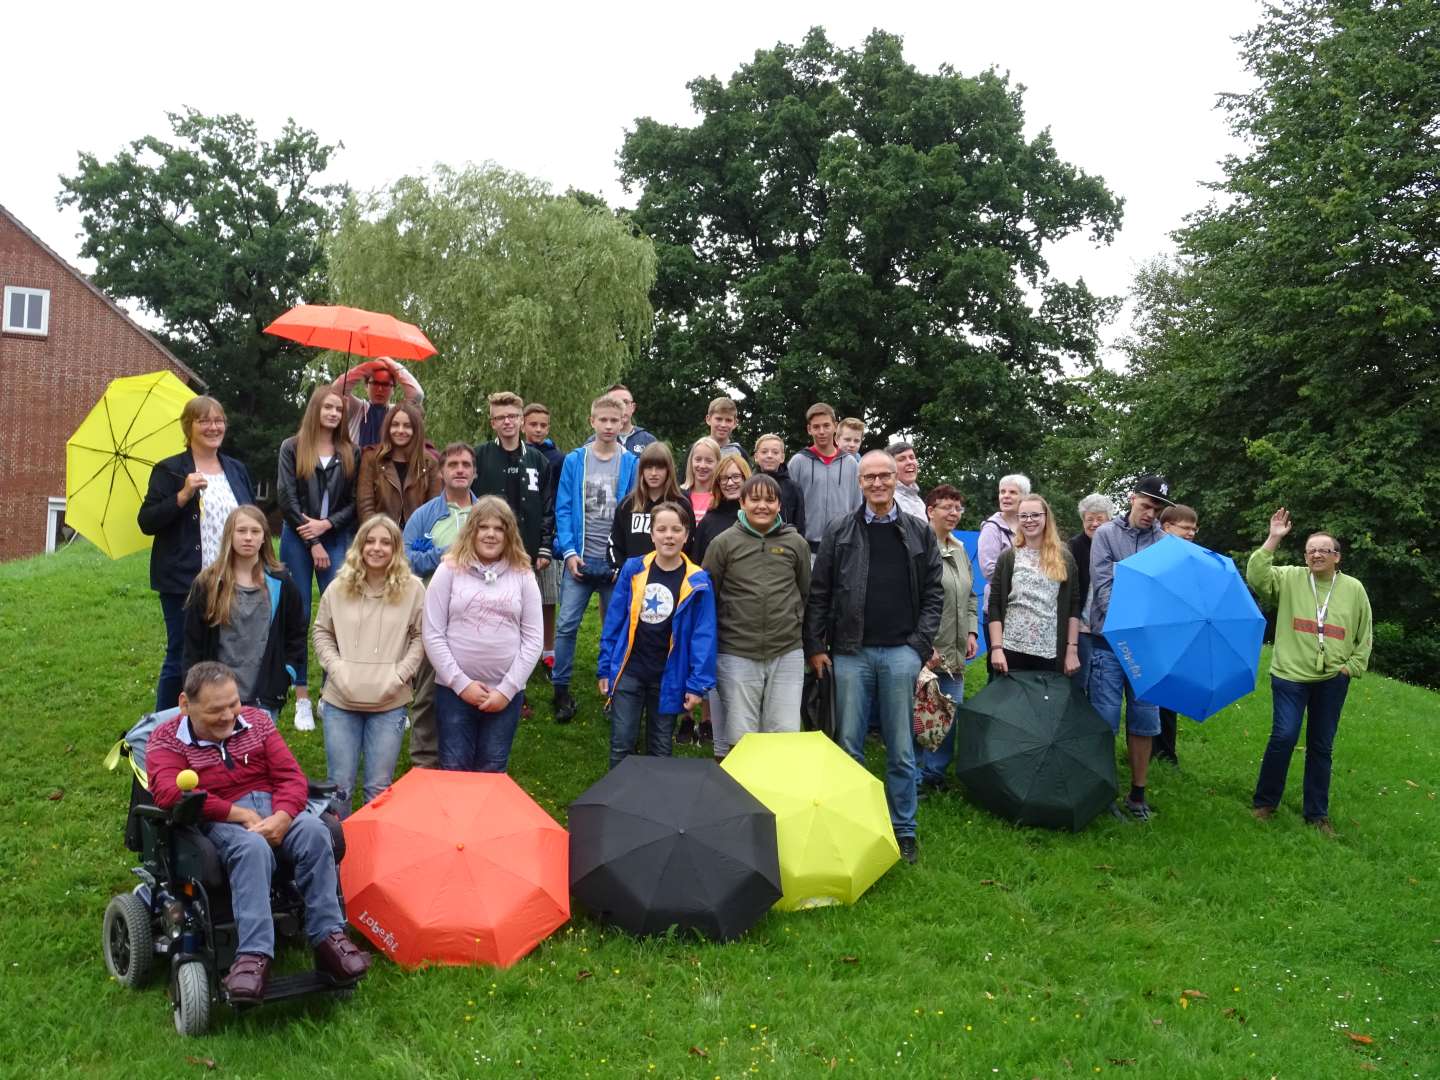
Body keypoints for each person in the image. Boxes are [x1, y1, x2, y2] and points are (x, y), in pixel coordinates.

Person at [146, 661, 370, 1003]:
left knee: (313, 830)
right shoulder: (166, 740)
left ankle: (329, 939)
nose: (227, 716)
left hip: (273, 805)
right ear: (184, 704)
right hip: (217, 819)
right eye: (215, 710)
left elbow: (291, 777)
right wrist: (235, 813)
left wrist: (283, 816)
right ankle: (253, 956)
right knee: (252, 848)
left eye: (233, 704)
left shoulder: (258, 722)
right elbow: (167, 793)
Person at [804, 450, 943, 864]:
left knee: (901, 749)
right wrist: (815, 646)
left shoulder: (918, 531)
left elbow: (935, 593)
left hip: (901, 652)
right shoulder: (839, 530)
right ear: (859, 483)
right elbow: (820, 593)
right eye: (870, 478)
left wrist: (918, 645)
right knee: (849, 745)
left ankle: (904, 831)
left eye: (885, 476)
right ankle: (854, 825)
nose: (878, 483)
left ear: (896, 479)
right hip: (850, 653)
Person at [1248, 509, 1372, 836]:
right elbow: (1257, 577)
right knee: (1284, 735)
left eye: (1323, 550)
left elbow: (1365, 633)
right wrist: (1274, 537)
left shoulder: (1354, 589)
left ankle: (1317, 815)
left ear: (1337, 557)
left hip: (1333, 679)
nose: (1316, 554)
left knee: (1321, 745)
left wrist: (1351, 668)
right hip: (1289, 674)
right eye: (1310, 550)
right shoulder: (1290, 577)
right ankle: (1265, 803)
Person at [138, 396, 255, 711]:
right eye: (204, 420)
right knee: (181, 653)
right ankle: (164, 724)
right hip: (184, 581)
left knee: (224, 652)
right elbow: (146, 522)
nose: (213, 427)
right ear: (188, 427)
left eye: (218, 420)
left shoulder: (237, 469)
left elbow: (251, 519)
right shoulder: (170, 470)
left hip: (231, 580)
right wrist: (183, 495)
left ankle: (213, 717)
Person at [312, 515, 425, 816]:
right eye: (370, 541)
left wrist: (400, 675)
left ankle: (372, 855)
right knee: (340, 786)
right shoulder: (338, 587)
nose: (377, 548)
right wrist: (337, 670)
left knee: (379, 788)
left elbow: (421, 637)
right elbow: (322, 632)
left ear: (396, 548)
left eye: (385, 542)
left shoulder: (413, 590)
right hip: (340, 700)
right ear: (359, 547)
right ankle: (338, 858)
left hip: (390, 701)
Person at [423, 497, 543, 772]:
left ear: (509, 534)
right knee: (454, 768)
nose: (490, 534)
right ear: (471, 531)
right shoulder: (448, 570)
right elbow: (432, 632)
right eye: (483, 527)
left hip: (505, 695)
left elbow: (534, 638)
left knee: (492, 771)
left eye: (499, 528)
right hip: (454, 692)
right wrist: (461, 684)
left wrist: (507, 689)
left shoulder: (523, 574)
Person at [598, 502, 716, 768]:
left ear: (686, 535)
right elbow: (614, 621)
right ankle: (619, 803)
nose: (669, 535)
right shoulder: (633, 569)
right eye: (661, 529)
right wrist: (606, 667)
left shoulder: (697, 580)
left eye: (676, 530)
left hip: (668, 676)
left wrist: (697, 684)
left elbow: (703, 635)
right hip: (630, 671)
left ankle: (658, 805)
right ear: (652, 535)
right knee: (621, 744)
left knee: (661, 748)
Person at [703, 474, 811, 760]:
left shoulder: (795, 543)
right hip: (736, 650)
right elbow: (708, 596)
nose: (762, 505)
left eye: (770, 499)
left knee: (785, 732)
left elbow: (804, 591)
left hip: (786, 650)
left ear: (779, 505)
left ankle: (777, 798)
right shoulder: (723, 543)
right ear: (742, 502)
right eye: (755, 499)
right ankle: (739, 800)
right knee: (740, 735)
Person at [1088, 473, 1173, 821]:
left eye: (1157, 509)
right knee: (1105, 718)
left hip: (1147, 648)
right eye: (1146, 505)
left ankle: (1138, 794)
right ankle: (1103, 791)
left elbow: (1165, 595)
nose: (1150, 514)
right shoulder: (1106, 534)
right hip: (1108, 642)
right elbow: (1104, 587)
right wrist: (1129, 623)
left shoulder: (1164, 545)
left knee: (1144, 720)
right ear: (1131, 497)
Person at [551, 394, 639, 722]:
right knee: (566, 624)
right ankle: (560, 689)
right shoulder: (576, 460)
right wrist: (570, 552)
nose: (607, 426)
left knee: (616, 626)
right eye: (602, 420)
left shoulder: (630, 462)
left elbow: (634, 511)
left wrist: (623, 561)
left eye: (613, 421)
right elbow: (563, 507)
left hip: (613, 562)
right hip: (581, 558)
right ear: (592, 421)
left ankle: (614, 689)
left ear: (623, 423)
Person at [277, 384, 360, 730]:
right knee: (299, 613)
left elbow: (354, 503)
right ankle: (301, 699)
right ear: (315, 409)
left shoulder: (350, 451)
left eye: (338, 410)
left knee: (338, 613)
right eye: (327, 407)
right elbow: (286, 495)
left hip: (336, 536)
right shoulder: (293, 447)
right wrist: (311, 538)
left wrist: (327, 525)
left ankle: (331, 691)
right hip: (297, 539)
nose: (333, 414)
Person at [182, 506, 305, 721]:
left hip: (264, 696)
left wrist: (287, 672)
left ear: (264, 538)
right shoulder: (208, 583)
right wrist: (196, 688)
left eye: (255, 531)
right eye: (241, 531)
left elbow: (297, 633)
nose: (248, 537)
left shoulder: (281, 582)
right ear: (230, 534)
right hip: (216, 696)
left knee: (254, 755)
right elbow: (193, 644)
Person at [402, 442, 480, 767]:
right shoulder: (424, 516)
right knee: (427, 691)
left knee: (474, 687)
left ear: (475, 472)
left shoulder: (485, 514)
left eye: (465, 464)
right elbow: (406, 559)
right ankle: (423, 761)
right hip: (433, 616)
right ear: (442, 472)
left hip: (477, 618)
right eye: (453, 465)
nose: (459, 470)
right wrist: (445, 554)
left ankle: (468, 758)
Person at [914, 485, 978, 794]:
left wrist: (972, 631)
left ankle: (935, 775)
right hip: (927, 648)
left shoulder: (960, 548)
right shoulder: (918, 547)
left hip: (955, 652)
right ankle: (912, 775)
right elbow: (909, 600)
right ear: (930, 511)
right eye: (946, 507)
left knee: (949, 713)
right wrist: (924, 646)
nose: (953, 513)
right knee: (920, 713)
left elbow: (970, 596)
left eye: (957, 508)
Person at [987, 495, 1082, 676]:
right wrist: (997, 648)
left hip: (1051, 653)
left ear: (1046, 517)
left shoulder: (1065, 558)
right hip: (1011, 651)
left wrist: (1072, 649)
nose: (1029, 520)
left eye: (1035, 515)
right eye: (1023, 516)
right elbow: (995, 604)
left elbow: (1073, 605)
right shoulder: (1008, 557)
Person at [473, 391, 554, 571]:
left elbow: (548, 507)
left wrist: (545, 547)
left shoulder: (539, 461)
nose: (507, 421)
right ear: (493, 423)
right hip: (487, 551)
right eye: (500, 417)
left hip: (527, 550)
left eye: (512, 416)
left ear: (521, 420)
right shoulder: (477, 457)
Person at [1152, 503, 1200, 766]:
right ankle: (1149, 747)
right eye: (1186, 528)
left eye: (1194, 528)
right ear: (1167, 527)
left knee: (1170, 693)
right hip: (1153, 630)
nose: (1191, 533)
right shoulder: (1155, 554)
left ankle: (1166, 751)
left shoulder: (1192, 557)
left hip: (1178, 632)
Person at [788, 403, 862, 554]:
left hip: (843, 548)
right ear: (809, 429)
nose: (821, 431)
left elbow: (857, 507)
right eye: (816, 427)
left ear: (835, 426)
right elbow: (788, 505)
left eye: (826, 425)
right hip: (807, 549)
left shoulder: (851, 464)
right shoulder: (798, 462)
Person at [524, 403, 564, 672]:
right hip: (521, 536)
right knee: (521, 599)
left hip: (548, 535)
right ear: (523, 425)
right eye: (533, 424)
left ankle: (548, 651)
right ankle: (523, 650)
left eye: (543, 425)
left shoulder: (558, 458)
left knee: (548, 597)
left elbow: (559, 498)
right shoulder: (517, 454)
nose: (538, 429)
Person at [609, 441, 694, 569]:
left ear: (668, 470)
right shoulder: (627, 505)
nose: (653, 473)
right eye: (648, 467)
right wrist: (618, 569)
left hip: (672, 577)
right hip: (633, 579)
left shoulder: (682, 503)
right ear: (641, 470)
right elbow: (615, 543)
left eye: (659, 467)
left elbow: (690, 543)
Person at [356, 402, 440, 527]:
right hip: (379, 535)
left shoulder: (430, 463)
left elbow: (434, 508)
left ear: (416, 430)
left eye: (407, 426)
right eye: (395, 425)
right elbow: (365, 506)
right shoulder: (372, 460)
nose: (400, 430)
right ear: (387, 428)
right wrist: (379, 533)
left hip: (417, 537)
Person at [1068, 494, 1114, 692]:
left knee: (1101, 683)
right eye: (1089, 519)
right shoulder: (1074, 546)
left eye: (1100, 519)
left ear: (1109, 519)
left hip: (1108, 624)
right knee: (1079, 680)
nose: (1094, 524)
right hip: (1082, 626)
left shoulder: (1115, 545)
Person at [977, 473, 1031, 639]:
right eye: (1002, 492)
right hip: (1000, 610)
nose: (1006, 496)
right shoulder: (991, 528)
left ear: (1024, 497)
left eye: (1012, 492)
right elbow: (989, 571)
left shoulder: (1030, 526)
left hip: (1028, 608)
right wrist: (1026, 574)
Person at [331, 357, 424, 449]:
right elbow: (336, 389)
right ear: (366, 386)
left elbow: (417, 394)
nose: (380, 389)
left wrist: (395, 368)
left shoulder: (397, 412)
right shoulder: (356, 407)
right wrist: (366, 367)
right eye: (375, 383)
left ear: (393, 390)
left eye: (385, 384)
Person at [693, 454, 752, 561]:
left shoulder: (757, 518)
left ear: (746, 477)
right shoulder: (708, 522)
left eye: (736, 477)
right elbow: (697, 565)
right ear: (718, 483)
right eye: (724, 478)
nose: (729, 483)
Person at [751, 434, 806, 536]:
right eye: (764, 452)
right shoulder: (747, 487)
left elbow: (800, 525)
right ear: (756, 457)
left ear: (782, 457)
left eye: (775, 452)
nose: (769, 455)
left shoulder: (794, 488)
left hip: (785, 545)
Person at [584, 383, 657, 454]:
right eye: (615, 403)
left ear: (633, 407)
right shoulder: (592, 443)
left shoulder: (648, 441)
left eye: (625, 402)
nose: (622, 407)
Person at [682, 436, 722, 526]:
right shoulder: (678, 495)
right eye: (698, 459)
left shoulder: (721, 498)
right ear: (691, 461)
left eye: (709, 461)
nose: (702, 465)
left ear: (718, 463)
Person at [887, 441, 927, 520]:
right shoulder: (887, 499)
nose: (909, 462)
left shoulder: (920, 503)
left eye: (912, 457)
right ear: (889, 466)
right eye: (902, 459)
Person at [705, 396, 751, 462]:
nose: (723, 425)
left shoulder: (740, 453)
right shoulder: (696, 449)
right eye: (718, 419)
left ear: (735, 423)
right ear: (708, 419)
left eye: (728, 420)